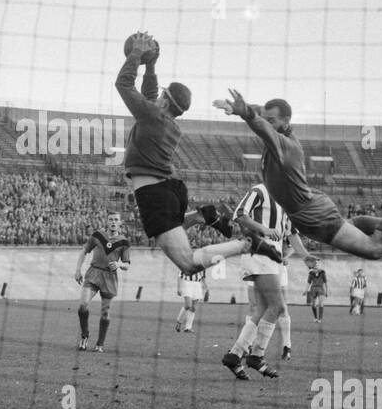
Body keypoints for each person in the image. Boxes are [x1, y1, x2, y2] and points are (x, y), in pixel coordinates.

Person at [116, 33, 281, 277]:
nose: (156, 97)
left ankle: (246, 244)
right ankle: (202, 215)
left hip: (154, 194)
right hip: (170, 191)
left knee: (189, 264)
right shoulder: (166, 122)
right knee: (172, 232)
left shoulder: (152, 117)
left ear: (165, 101)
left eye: (161, 95)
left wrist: (136, 54)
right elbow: (150, 95)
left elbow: (124, 84)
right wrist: (150, 65)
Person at [217, 91, 382, 260]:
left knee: (375, 250)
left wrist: (245, 112)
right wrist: (245, 107)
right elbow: (264, 117)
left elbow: (263, 128)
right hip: (308, 207)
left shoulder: (286, 146)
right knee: (350, 225)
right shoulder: (285, 132)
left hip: (312, 214)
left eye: (272, 120)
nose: (268, 122)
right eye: (266, 117)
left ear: (286, 121)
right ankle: (381, 223)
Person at [220, 183, 311, 380]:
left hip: (272, 258)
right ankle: (256, 355)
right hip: (259, 252)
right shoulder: (260, 190)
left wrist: (305, 257)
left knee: (261, 309)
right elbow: (239, 214)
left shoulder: (286, 201)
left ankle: (234, 355)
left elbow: (291, 233)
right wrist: (265, 229)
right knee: (277, 306)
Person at [73, 212, 131, 351]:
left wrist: (119, 265)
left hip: (109, 277)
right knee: (83, 305)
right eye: (111, 219)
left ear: (120, 223)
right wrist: (77, 270)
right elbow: (84, 251)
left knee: (105, 313)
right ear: (107, 221)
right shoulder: (97, 235)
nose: (113, 222)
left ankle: (100, 344)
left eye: (116, 220)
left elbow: (127, 264)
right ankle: (84, 336)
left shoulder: (124, 242)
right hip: (93, 273)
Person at [175, 270, 203, 335]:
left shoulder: (200, 264)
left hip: (197, 284)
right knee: (188, 305)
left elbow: (202, 276)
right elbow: (179, 275)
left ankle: (188, 328)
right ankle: (179, 322)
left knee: (193, 308)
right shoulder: (186, 263)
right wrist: (178, 288)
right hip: (187, 283)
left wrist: (206, 287)